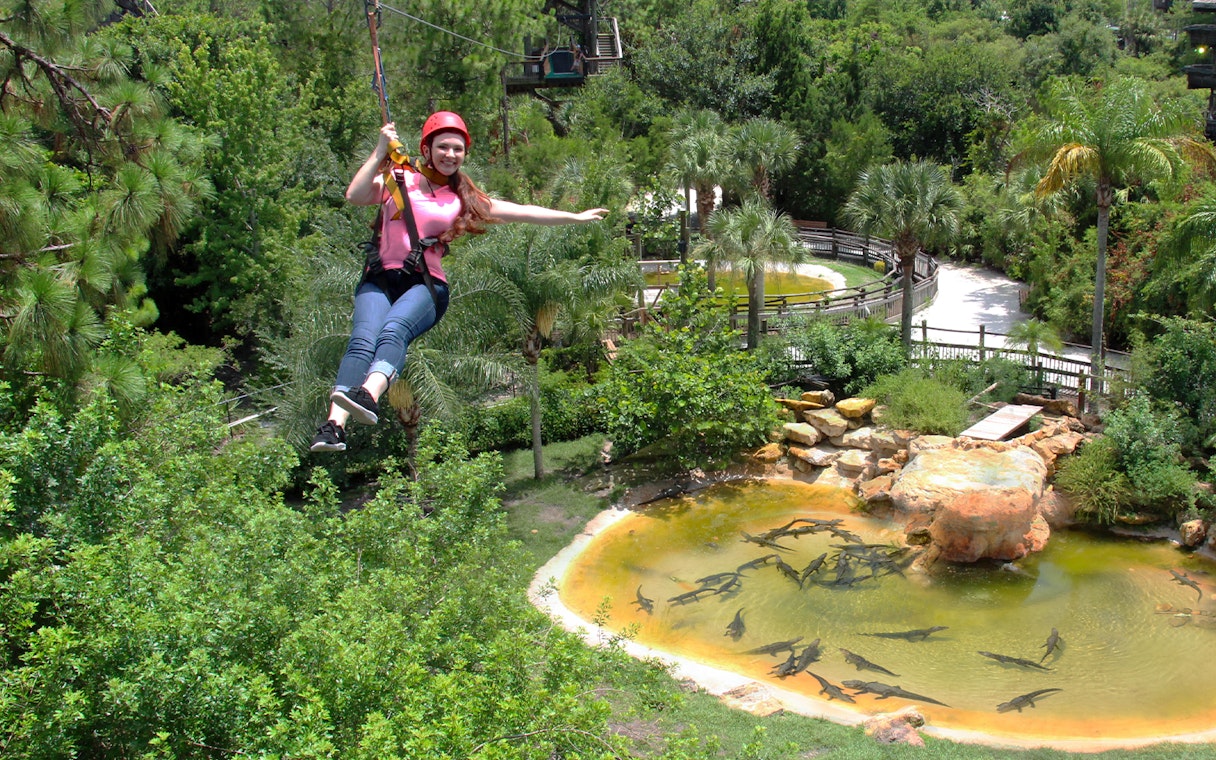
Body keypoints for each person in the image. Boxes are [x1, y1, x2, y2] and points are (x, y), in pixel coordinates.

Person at [311, 111, 608, 452]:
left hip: (425, 284)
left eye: (458, 149)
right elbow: (355, 194)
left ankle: (370, 394)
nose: (450, 155)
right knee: (362, 339)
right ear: (427, 148)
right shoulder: (398, 179)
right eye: (443, 147)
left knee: (393, 330)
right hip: (378, 277)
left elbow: (522, 210)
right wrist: (380, 151)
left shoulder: (461, 198)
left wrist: (574, 217)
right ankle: (334, 427)